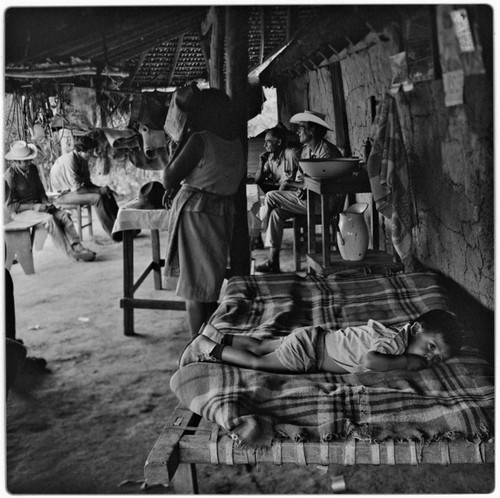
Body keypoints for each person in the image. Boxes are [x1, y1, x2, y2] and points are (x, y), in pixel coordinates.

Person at [162, 88, 245, 337]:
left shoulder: (201, 140)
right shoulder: (235, 142)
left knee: (195, 288)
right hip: (221, 211)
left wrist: (186, 134)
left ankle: (197, 346)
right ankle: (208, 339)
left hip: (197, 213)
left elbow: (168, 177)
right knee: (209, 281)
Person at [179, 309, 462, 374]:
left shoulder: (395, 332)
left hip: (313, 336)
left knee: (262, 344)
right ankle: (208, 348)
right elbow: (370, 361)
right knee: (258, 361)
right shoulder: (395, 347)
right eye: (431, 347)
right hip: (310, 353)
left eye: (437, 358)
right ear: (415, 328)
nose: (429, 358)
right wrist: (406, 362)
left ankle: (218, 335)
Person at [255, 110, 343, 273]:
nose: (298, 131)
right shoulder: (305, 150)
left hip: (325, 203)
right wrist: (298, 186)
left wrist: (297, 186)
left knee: (271, 196)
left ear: (313, 130)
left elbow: (325, 185)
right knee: (277, 214)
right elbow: (302, 179)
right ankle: (273, 261)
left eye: (302, 128)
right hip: (307, 199)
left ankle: (256, 234)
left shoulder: (327, 152)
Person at [4, 141, 95, 262]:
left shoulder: (32, 169)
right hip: (20, 212)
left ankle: (78, 247)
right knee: (49, 220)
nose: (29, 163)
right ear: (15, 161)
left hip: (38, 206)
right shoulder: (10, 176)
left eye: (29, 159)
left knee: (64, 216)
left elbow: (41, 191)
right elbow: (10, 206)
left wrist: (46, 203)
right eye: (25, 161)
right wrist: (32, 207)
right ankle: (71, 252)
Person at [50, 135, 123, 242]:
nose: (91, 155)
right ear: (80, 151)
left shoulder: (82, 159)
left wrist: (103, 188)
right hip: (62, 195)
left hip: (73, 191)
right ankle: (114, 234)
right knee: (97, 198)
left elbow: (88, 184)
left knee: (106, 193)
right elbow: (78, 189)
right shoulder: (69, 161)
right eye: (89, 152)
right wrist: (99, 191)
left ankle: (122, 228)